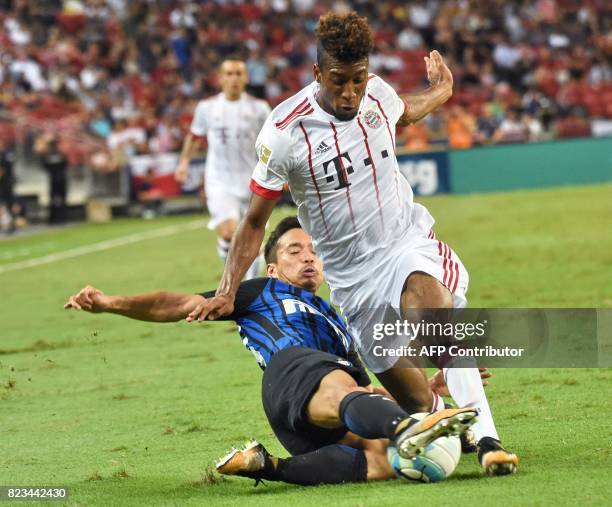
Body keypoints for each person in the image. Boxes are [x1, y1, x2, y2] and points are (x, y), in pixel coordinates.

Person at [187, 12, 518, 475]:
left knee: (434, 313)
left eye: (358, 80)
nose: (349, 93)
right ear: (318, 73)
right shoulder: (285, 131)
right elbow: (254, 220)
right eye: (339, 81)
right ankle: (452, 419)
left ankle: (488, 441)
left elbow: (408, 108)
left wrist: (443, 88)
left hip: (405, 243)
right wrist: (228, 288)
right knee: (420, 403)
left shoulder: (376, 95)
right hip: (353, 282)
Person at [64, 217, 478, 486]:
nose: (309, 259)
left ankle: (270, 466)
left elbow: (365, 393)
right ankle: (405, 429)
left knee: (383, 462)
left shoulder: (339, 321)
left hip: (306, 422)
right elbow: (175, 304)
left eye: (314, 252)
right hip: (290, 371)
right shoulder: (262, 291)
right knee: (347, 394)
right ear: (275, 268)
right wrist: (109, 303)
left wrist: (426, 388)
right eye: (295, 251)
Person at [174, 55, 271, 279]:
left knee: (251, 236)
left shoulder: (259, 108)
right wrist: (184, 162)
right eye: (229, 74)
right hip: (219, 181)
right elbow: (195, 136)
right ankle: (233, 281)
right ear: (220, 78)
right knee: (229, 232)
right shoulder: (207, 108)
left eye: (239, 73)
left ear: (246, 78)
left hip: (252, 179)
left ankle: (251, 285)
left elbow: (272, 140)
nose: (234, 78)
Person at [34, 132, 69, 225]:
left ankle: (62, 218)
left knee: (61, 199)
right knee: (54, 199)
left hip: (59, 178)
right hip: (54, 179)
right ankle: (53, 219)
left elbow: (65, 164)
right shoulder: (48, 155)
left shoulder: (59, 154)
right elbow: (45, 166)